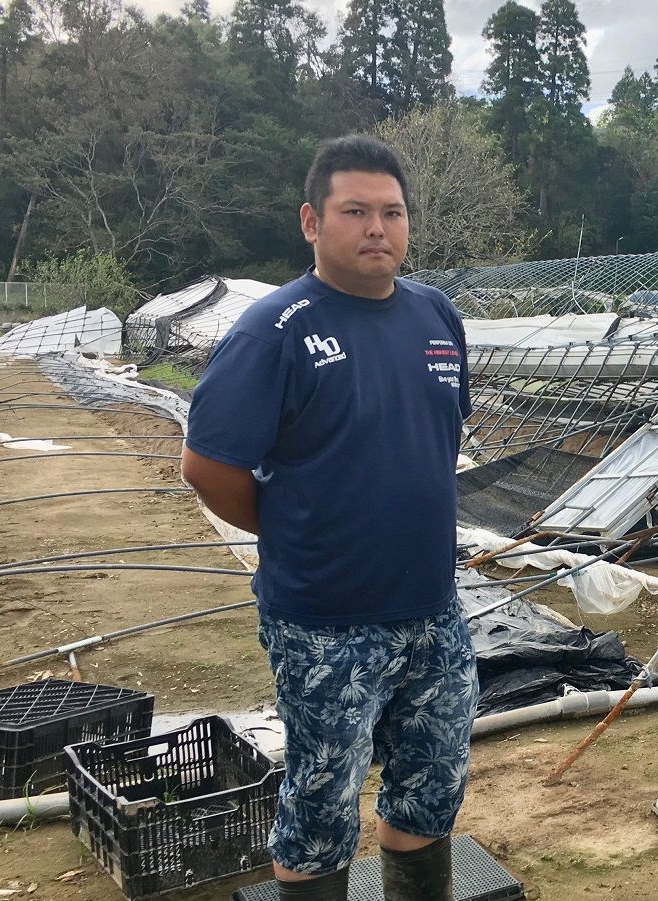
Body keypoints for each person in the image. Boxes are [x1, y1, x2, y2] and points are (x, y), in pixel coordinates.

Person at [182, 135, 476, 901]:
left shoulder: (434, 314)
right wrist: (293, 529)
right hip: (326, 621)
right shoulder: (273, 331)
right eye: (356, 211)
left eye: (392, 212)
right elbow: (208, 466)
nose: (377, 227)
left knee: (431, 785)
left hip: (431, 610)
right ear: (313, 222)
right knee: (320, 804)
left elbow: (440, 440)